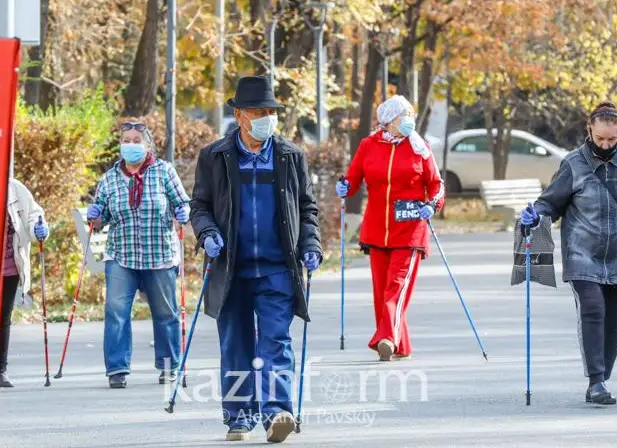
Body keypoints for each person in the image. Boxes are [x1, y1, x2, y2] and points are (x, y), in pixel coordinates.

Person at [190, 76, 322, 443]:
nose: (267, 118)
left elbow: (307, 208)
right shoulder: (214, 156)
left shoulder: (290, 155)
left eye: (270, 112)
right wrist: (207, 233)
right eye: (259, 112)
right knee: (236, 346)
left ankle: (277, 412)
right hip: (231, 269)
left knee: (276, 343)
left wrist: (311, 244)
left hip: (277, 269)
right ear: (240, 116)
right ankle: (239, 417)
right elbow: (199, 205)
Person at [519, 101, 617, 405]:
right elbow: (551, 203)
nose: (605, 145)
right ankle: (596, 381)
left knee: (615, 321)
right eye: (600, 138)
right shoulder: (573, 164)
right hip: (582, 253)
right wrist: (535, 216)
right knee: (592, 309)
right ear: (589, 130)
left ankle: (602, 375)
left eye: (611, 139)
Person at [335, 95, 446, 362]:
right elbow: (354, 176)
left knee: (396, 286)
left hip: (410, 229)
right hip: (376, 230)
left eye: (411, 114)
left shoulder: (419, 147)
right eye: (403, 115)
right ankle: (400, 344)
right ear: (388, 121)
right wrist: (345, 186)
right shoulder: (369, 145)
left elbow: (436, 184)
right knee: (381, 291)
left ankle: (385, 338)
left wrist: (433, 205)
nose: (409, 120)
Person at [87, 121, 191, 389]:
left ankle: (169, 366)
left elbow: (183, 203)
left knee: (166, 312)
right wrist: (94, 216)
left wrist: (183, 212)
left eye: (136, 141)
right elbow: (100, 220)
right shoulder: (109, 178)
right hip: (121, 255)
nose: (130, 145)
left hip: (160, 254)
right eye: (126, 140)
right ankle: (117, 368)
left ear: (147, 146)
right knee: (116, 311)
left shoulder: (164, 171)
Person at [0, 179, 49, 388]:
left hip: (9, 266)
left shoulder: (15, 188)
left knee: (3, 317)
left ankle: (0, 371)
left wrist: (38, 227)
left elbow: (33, 213)